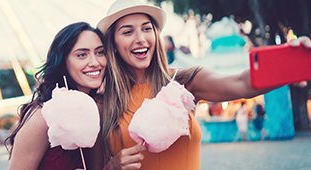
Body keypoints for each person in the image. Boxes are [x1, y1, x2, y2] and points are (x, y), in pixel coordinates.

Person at [96, 0, 311, 169]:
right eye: (127, 32)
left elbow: (241, 82)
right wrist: (112, 167)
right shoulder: (101, 102)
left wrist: (292, 61)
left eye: (146, 29)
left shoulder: (184, 82)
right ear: (113, 45)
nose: (140, 38)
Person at [4, 22, 106, 170]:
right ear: (62, 62)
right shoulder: (43, 117)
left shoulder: (97, 109)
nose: (95, 62)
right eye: (82, 55)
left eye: (99, 52)